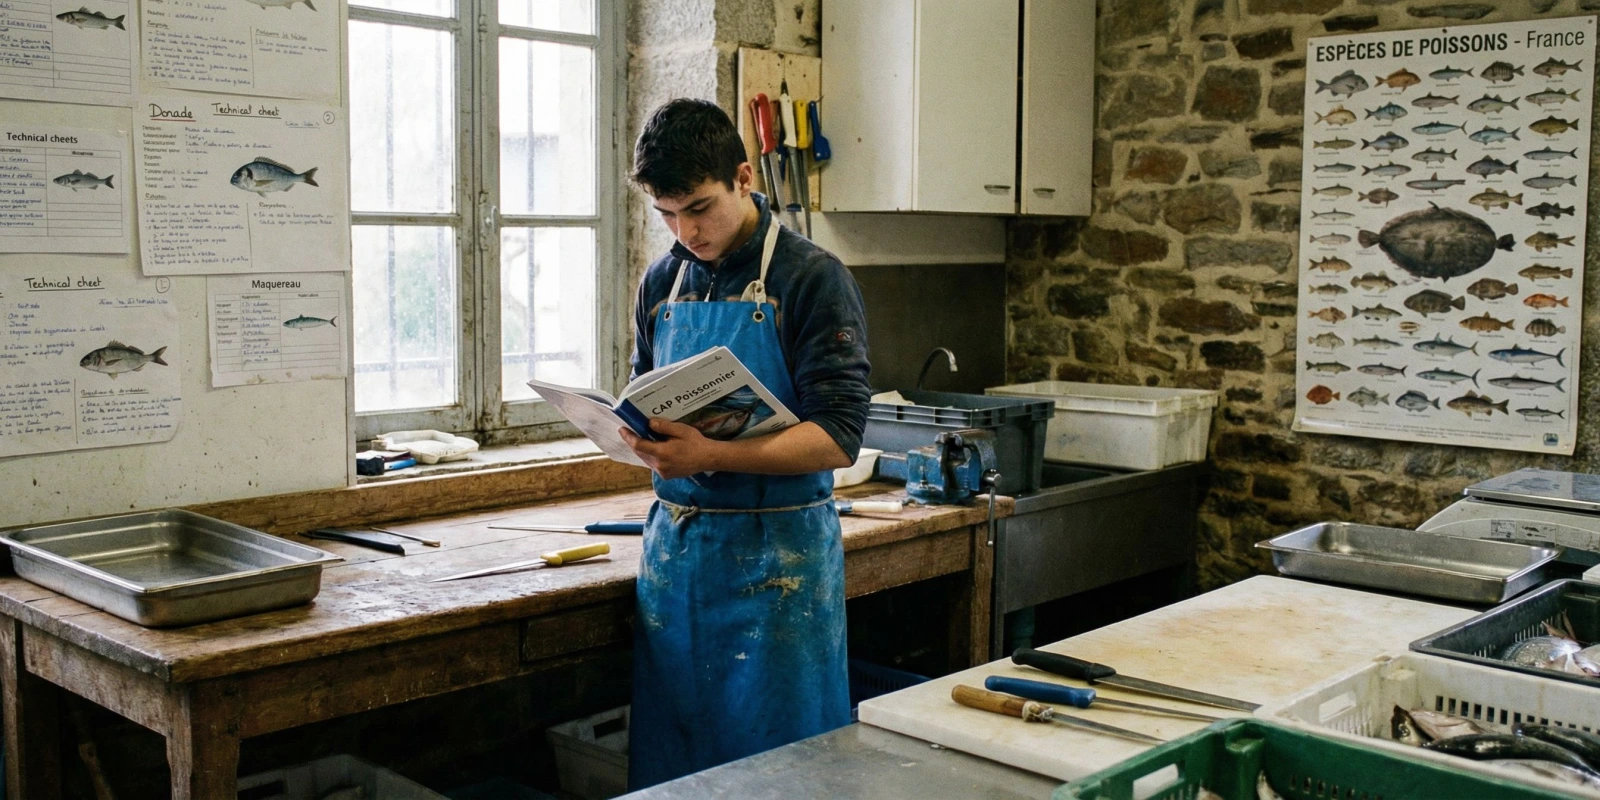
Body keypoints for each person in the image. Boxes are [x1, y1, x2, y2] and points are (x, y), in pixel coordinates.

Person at [620, 98, 872, 789]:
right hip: (677, 563)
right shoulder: (661, 282)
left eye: (699, 208)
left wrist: (713, 455)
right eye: (666, 214)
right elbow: (644, 395)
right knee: (676, 768)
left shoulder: (813, 279)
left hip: (778, 569)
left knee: (779, 771)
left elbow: (838, 438)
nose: (685, 231)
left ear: (742, 176)